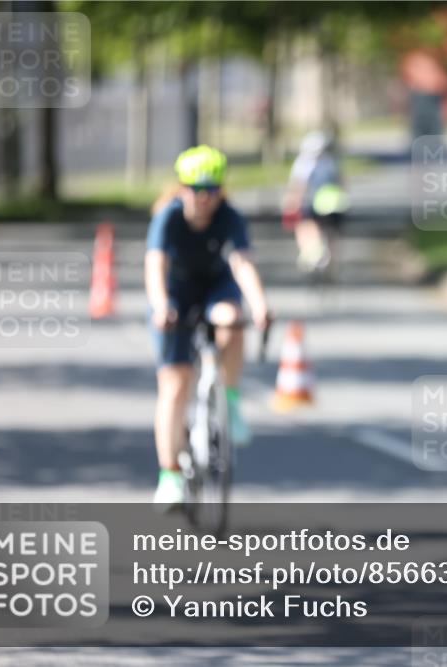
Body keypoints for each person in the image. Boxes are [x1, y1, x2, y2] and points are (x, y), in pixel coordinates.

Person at [146, 145, 272, 509]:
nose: (205, 199)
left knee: (233, 321)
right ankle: (169, 476)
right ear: (182, 188)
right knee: (175, 384)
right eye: (196, 191)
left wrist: (260, 304)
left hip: (216, 290)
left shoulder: (230, 217)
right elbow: (155, 266)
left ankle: (229, 401)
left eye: (213, 191)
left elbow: (243, 264)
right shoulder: (167, 218)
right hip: (175, 297)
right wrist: (160, 305)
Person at [282, 130, 348, 280]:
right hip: (335, 203)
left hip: (315, 203)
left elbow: (298, 186)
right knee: (334, 233)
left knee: (304, 224)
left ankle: (313, 252)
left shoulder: (303, 162)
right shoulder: (332, 161)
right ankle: (332, 259)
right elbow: (342, 182)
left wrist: (291, 204)